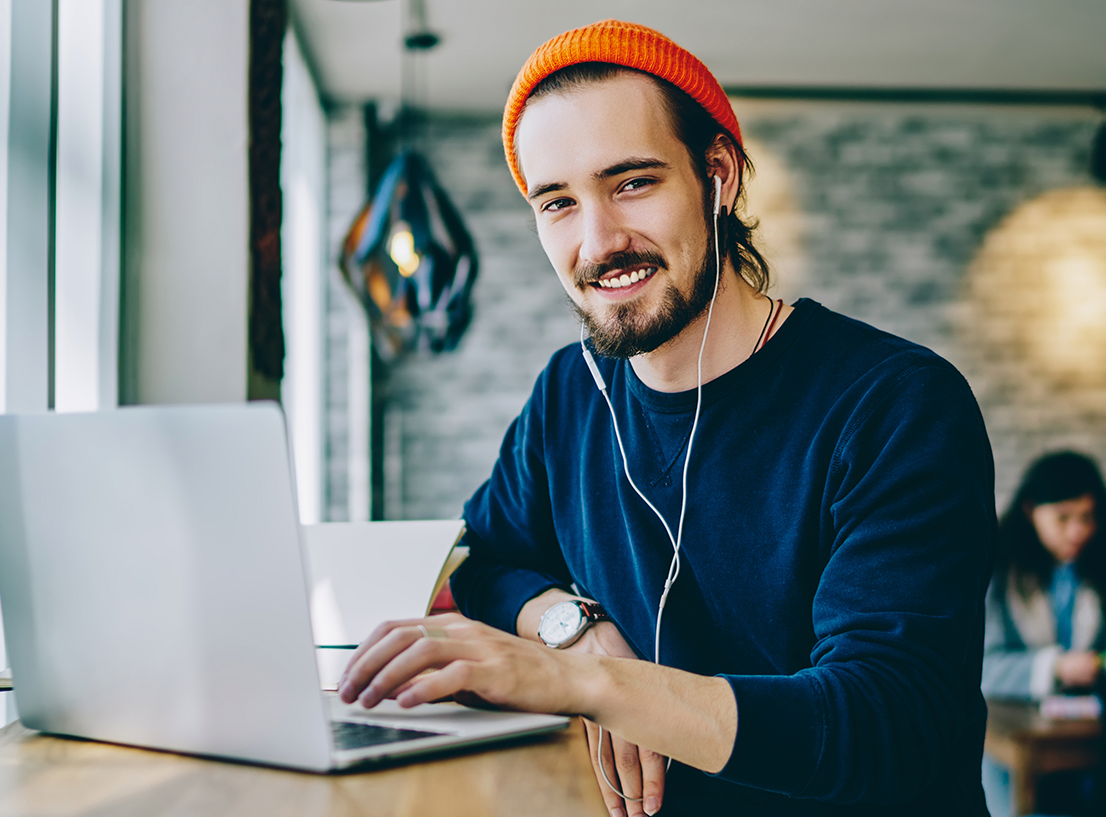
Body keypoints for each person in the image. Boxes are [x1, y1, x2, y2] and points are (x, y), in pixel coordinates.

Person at [339, 20, 996, 816]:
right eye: (558, 203)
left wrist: (598, 685)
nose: (597, 242)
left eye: (632, 183)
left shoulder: (895, 403)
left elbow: (885, 721)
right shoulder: (568, 393)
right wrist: (571, 629)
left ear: (717, 174)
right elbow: (483, 559)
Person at [981, 451, 1106, 816]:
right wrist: (1055, 667)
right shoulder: (999, 570)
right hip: (1012, 739)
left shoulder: (1094, 565)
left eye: (1087, 516)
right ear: (1030, 510)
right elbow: (982, 667)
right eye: (1063, 518)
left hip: (1086, 738)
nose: (1078, 531)